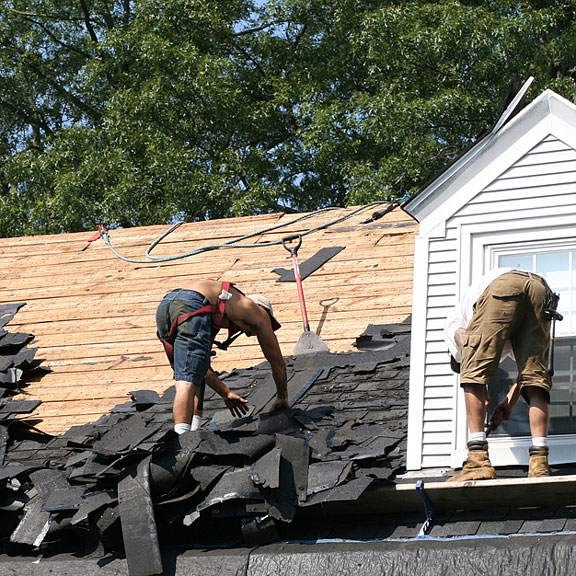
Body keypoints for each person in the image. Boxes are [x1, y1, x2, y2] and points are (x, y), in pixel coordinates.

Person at [444, 268, 558, 481]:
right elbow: (527, 375)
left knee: (472, 371)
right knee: (537, 378)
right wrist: (509, 402)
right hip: (539, 289)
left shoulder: (451, 326)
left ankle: (477, 460)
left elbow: (471, 356)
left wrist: (478, 382)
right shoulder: (499, 330)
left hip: (505, 286)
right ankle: (539, 464)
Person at [156, 278, 289, 434]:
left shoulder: (219, 305)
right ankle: (182, 441)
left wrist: (225, 393)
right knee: (185, 382)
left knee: (192, 372)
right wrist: (282, 396)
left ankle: (193, 430)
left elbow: (203, 370)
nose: (248, 335)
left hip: (166, 304)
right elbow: (278, 363)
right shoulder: (257, 312)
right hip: (191, 303)